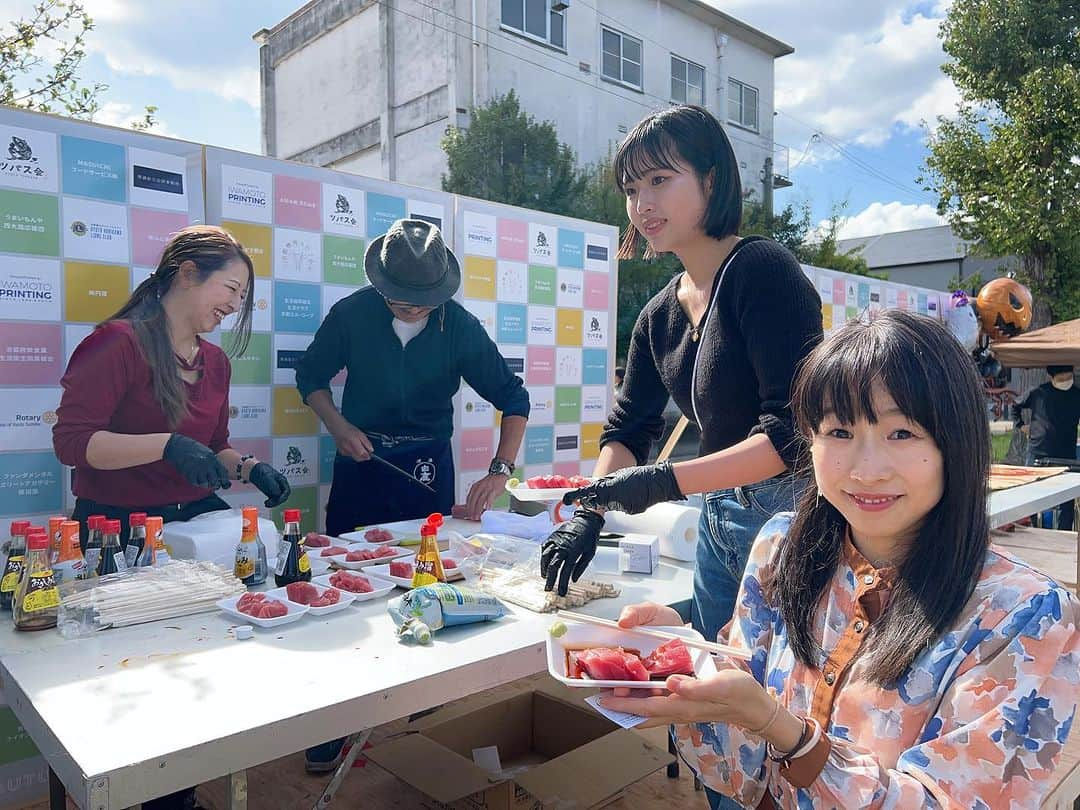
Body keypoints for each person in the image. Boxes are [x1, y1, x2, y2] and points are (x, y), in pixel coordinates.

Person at [599, 311, 1080, 808]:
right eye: (839, 432)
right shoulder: (781, 548)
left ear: (956, 443)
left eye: (902, 434)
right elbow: (736, 773)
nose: (866, 470)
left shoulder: (1026, 616)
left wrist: (785, 732)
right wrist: (684, 664)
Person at [540, 105, 821, 640]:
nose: (642, 203)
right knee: (715, 667)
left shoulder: (762, 271)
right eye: (630, 188)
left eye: (660, 179)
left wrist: (665, 480)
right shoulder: (658, 314)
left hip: (793, 521)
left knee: (778, 689)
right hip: (719, 514)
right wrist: (589, 514)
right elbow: (629, 427)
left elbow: (793, 435)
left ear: (712, 180)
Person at [52, 225, 291, 810]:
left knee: (199, 665)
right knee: (133, 675)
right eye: (230, 289)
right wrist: (163, 445)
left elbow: (214, 444)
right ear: (186, 274)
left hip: (193, 532)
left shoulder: (213, 361)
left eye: (242, 297)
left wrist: (250, 468)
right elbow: (73, 442)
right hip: (120, 531)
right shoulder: (116, 344)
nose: (235, 306)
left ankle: (173, 796)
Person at [295, 218, 529, 772]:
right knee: (342, 583)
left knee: (423, 580)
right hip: (361, 458)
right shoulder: (352, 314)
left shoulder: (460, 326)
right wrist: (336, 426)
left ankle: (422, 701)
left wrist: (500, 470)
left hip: (427, 465)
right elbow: (310, 377)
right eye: (402, 302)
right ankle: (336, 721)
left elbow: (513, 399)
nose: (414, 310)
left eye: (425, 303)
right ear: (380, 285)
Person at [1014, 365, 1080, 529]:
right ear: (1052, 377)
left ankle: (1065, 533)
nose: (1066, 381)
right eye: (1062, 378)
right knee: (1031, 495)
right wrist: (1021, 426)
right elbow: (1016, 406)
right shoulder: (1038, 392)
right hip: (1038, 452)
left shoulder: (1077, 395)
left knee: (1067, 500)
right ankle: (1033, 530)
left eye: (1068, 377)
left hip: (1066, 454)